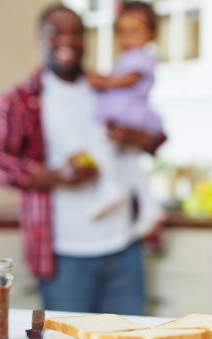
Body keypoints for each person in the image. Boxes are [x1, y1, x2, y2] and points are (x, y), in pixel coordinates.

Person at [0, 4, 166, 315]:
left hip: (124, 247)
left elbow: (156, 138)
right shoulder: (20, 101)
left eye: (76, 32)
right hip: (63, 255)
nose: (68, 39)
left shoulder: (106, 87)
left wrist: (132, 136)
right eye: (56, 32)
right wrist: (57, 175)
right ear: (40, 39)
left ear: (86, 39)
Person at [85, 1, 163, 238]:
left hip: (128, 113)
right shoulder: (129, 56)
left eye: (134, 32)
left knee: (99, 140)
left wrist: (102, 81)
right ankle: (150, 207)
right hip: (126, 111)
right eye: (122, 32)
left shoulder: (142, 57)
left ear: (151, 34)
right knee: (131, 163)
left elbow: (128, 80)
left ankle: (113, 186)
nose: (126, 39)